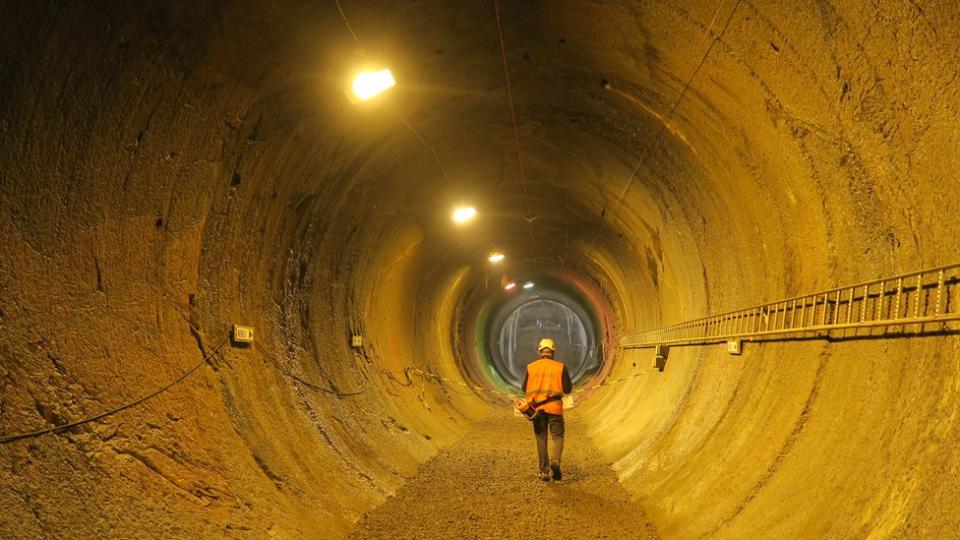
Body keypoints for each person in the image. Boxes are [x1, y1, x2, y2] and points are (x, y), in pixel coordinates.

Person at [522, 338, 573, 481]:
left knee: (541, 439)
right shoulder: (561, 367)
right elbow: (568, 388)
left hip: (536, 409)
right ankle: (555, 460)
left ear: (539, 352)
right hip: (554, 407)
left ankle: (544, 471)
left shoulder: (531, 367)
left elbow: (524, 388)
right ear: (553, 352)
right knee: (557, 437)